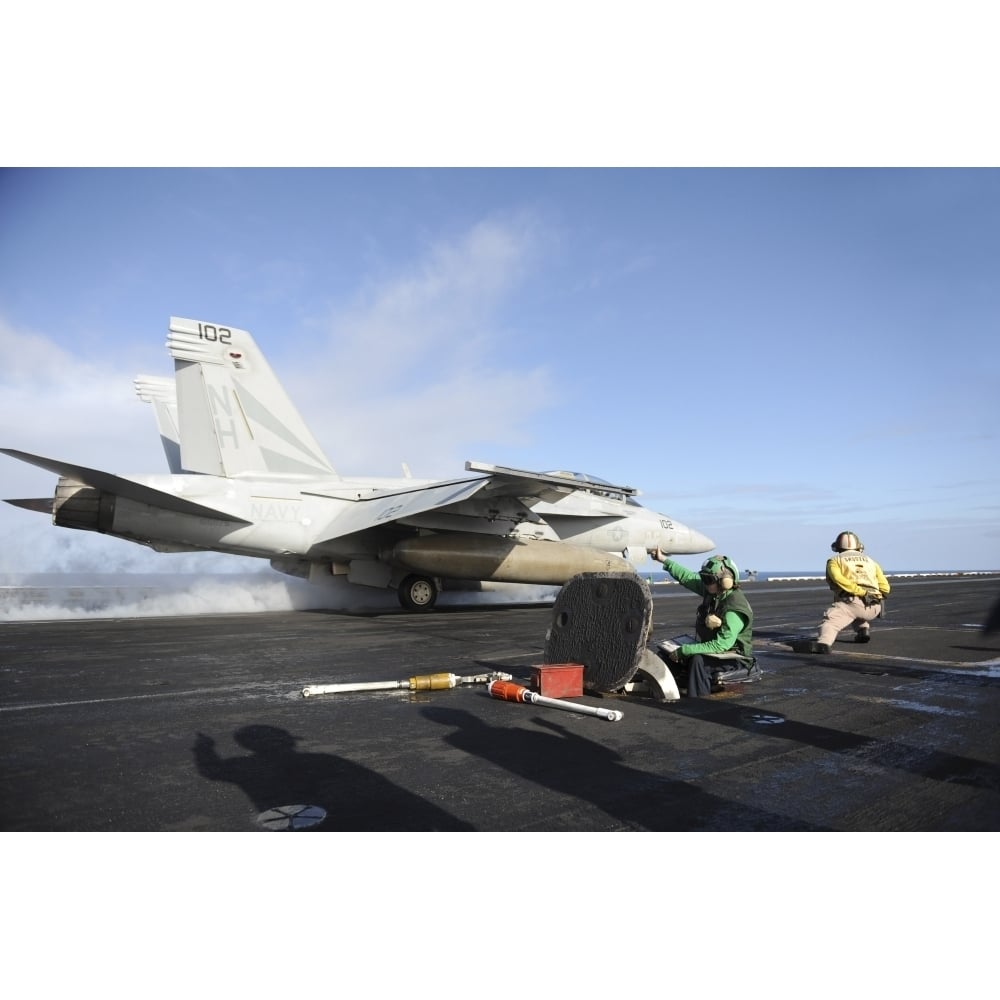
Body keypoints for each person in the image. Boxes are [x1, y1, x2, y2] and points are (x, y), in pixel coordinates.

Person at [648, 548, 755, 696]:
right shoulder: (713, 591)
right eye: (704, 578)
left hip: (735, 658)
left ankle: (699, 702)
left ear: (725, 582)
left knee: (698, 661)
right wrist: (664, 560)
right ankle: (666, 692)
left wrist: (686, 650)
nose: (704, 583)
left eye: (708, 580)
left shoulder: (734, 607)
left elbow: (722, 644)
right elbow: (687, 577)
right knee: (667, 654)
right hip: (717, 653)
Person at [796, 531, 890, 653]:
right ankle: (863, 630)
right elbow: (885, 587)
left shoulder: (835, 561)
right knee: (854, 613)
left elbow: (838, 579)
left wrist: (860, 592)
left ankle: (823, 644)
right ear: (858, 546)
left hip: (854, 601)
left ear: (837, 547)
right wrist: (876, 595)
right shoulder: (871, 561)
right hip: (875, 606)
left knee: (831, 621)